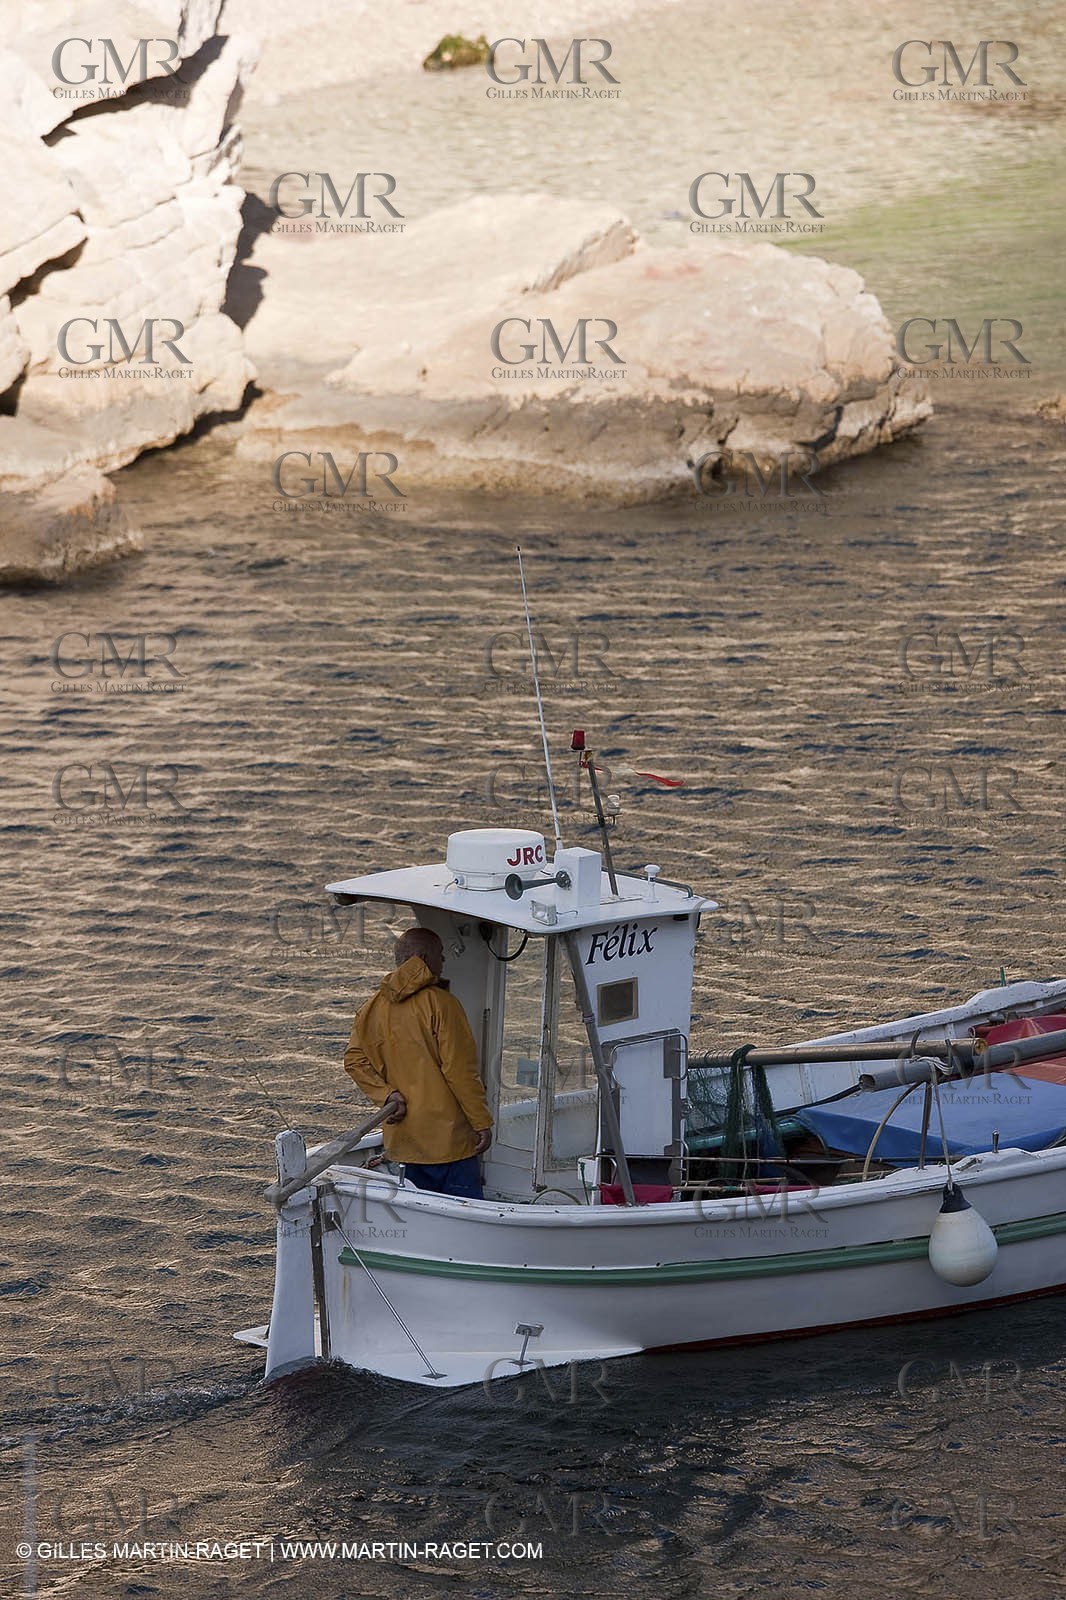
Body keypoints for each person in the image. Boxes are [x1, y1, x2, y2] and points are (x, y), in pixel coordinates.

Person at [343, 927, 493, 1199]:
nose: (444, 961)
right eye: (440, 954)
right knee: (464, 1217)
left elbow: (354, 1060)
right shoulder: (443, 1004)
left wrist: (387, 1094)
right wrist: (481, 1122)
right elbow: (460, 1072)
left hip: (404, 1142)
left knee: (421, 1215)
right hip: (450, 1145)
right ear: (423, 958)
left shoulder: (371, 1008)